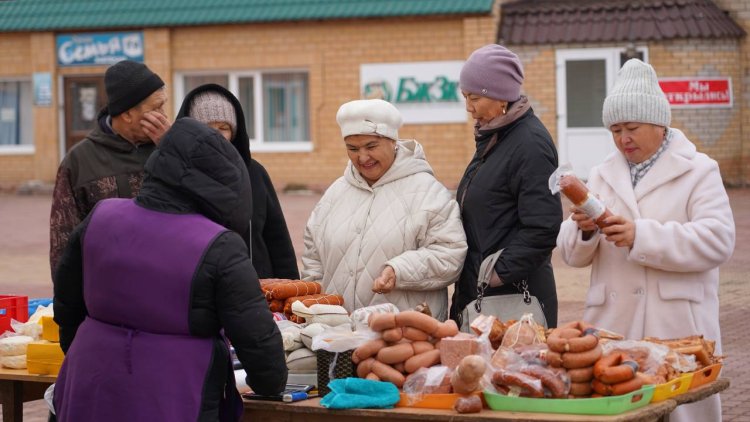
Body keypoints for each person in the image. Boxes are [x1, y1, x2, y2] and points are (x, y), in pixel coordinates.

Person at [53, 118, 287, 421]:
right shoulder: (218, 244)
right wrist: (270, 384)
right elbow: (255, 336)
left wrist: (85, 350)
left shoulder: (101, 217)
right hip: (175, 392)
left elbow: (67, 303)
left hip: (90, 383)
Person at [557, 59, 734, 422]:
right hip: (615, 326)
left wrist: (642, 234)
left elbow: (718, 240)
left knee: (681, 411)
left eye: (632, 127)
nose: (624, 138)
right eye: (616, 129)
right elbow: (571, 255)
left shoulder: (698, 170)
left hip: (676, 326)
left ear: (658, 123)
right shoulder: (602, 174)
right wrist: (585, 230)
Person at [301, 99, 467, 321]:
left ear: (393, 141)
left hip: (405, 337)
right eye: (352, 149)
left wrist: (399, 271)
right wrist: (316, 306)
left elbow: (450, 255)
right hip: (337, 336)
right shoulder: (335, 194)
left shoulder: (427, 192)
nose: (362, 157)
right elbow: (314, 255)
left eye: (371, 146)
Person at [449, 44, 562, 328]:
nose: (468, 107)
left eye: (474, 97)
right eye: (465, 97)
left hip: (512, 301)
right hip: (483, 294)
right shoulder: (495, 137)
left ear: (501, 96)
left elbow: (543, 227)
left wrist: (496, 273)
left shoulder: (529, 144)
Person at [49, 60, 172, 276]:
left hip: (167, 280)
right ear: (127, 114)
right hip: (105, 290)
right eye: (156, 108)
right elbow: (63, 244)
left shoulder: (171, 148)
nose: (164, 115)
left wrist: (172, 148)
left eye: (163, 105)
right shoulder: (78, 161)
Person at [176, 84, 299, 279]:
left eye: (223, 128)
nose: (216, 135)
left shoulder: (254, 173)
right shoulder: (177, 174)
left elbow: (278, 240)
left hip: (257, 289)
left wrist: (291, 290)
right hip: (196, 289)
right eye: (207, 127)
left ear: (234, 132)